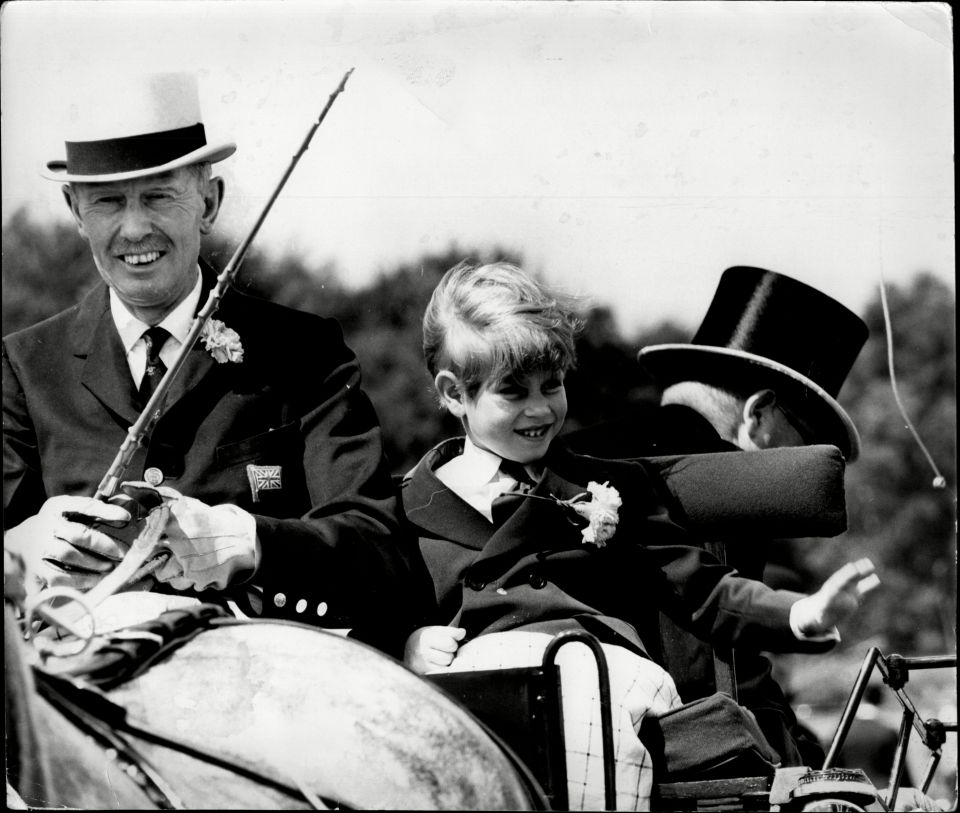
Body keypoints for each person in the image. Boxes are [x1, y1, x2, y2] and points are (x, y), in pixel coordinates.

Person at [399, 260, 879, 810]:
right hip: (538, 699)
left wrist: (800, 614)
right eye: (513, 391)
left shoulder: (587, 465)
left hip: (554, 691)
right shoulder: (416, 503)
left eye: (552, 385)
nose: (539, 408)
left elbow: (702, 590)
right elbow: (383, 596)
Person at [2, 71, 426, 655]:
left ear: (209, 200)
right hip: (79, 698)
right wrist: (23, 549)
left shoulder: (305, 352)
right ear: (75, 210)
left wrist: (250, 543)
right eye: (107, 201)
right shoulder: (24, 367)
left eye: (158, 195)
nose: (134, 229)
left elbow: (384, 553)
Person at [563, 265, 870, 766]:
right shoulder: (733, 480)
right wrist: (818, 768)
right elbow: (733, 676)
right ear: (760, 413)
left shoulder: (569, 452)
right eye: (808, 444)